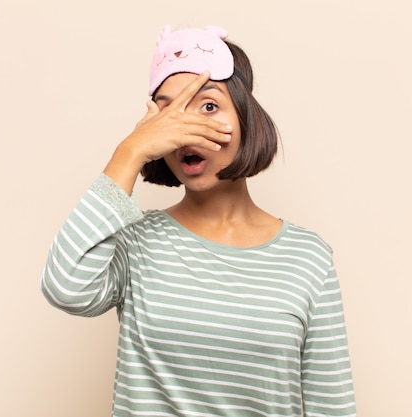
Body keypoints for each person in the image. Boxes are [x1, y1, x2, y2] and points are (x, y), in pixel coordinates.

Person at [41, 24, 356, 417]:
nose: (186, 130)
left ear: (246, 118)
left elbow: (333, 407)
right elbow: (65, 288)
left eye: (208, 106)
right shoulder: (135, 243)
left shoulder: (309, 257)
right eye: (169, 113)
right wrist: (130, 151)